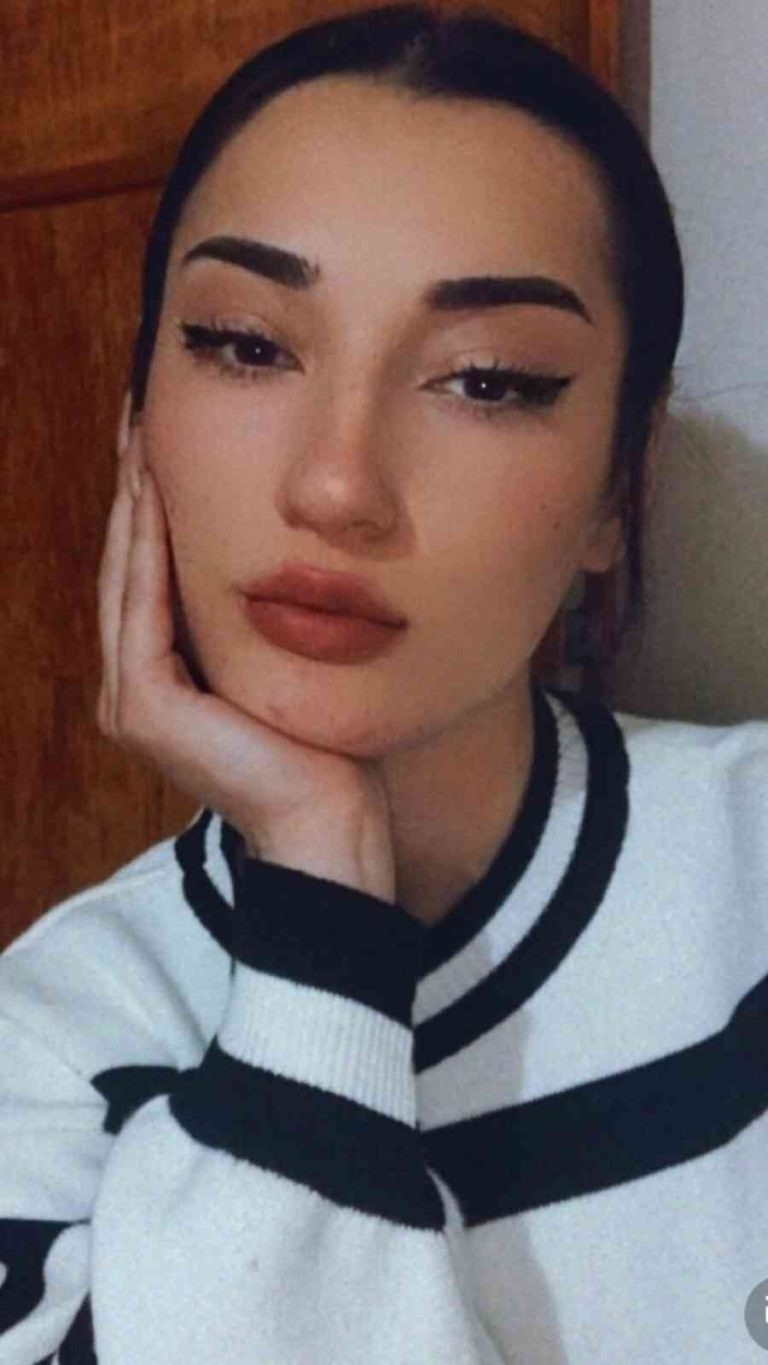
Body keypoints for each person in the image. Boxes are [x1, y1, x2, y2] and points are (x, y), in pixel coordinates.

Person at [1, 4, 765, 1362]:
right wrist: (318, 886)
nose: (337, 484)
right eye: (246, 344)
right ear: (136, 419)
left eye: (488, 380)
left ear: (620, 490)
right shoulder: (52, 1047)